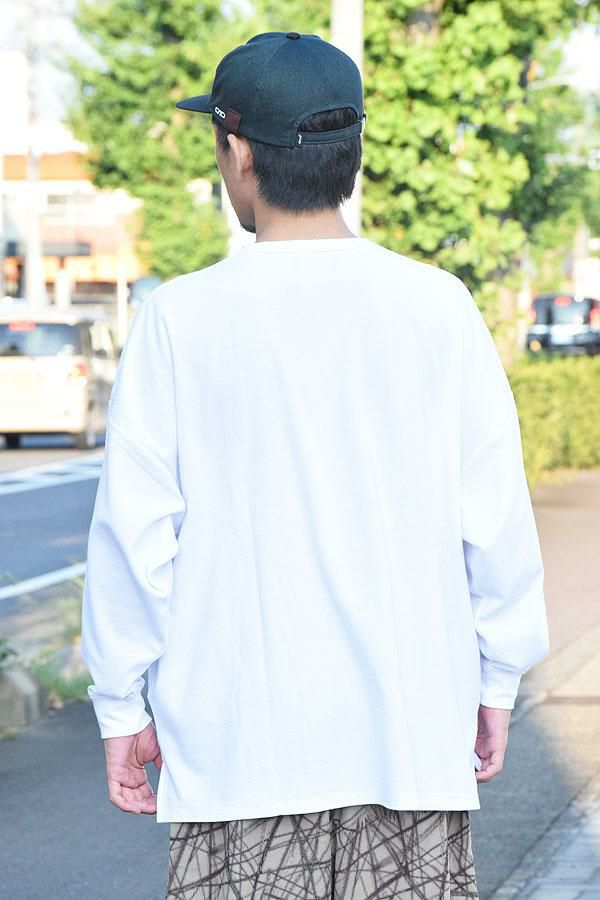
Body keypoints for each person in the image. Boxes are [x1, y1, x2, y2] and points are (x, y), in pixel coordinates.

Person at [81, 31, 550, 900]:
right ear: (352, 150)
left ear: (239, 151)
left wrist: (121, 705)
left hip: (237, 755)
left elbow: (134, 538)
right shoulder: (438, 308)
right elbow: (495, 519)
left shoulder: (180, 319)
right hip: (410, 742)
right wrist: (496, 682)